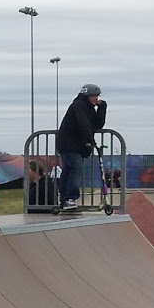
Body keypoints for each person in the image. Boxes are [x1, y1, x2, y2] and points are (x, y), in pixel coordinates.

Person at [55, 84, 106, 212]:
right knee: (76, 168)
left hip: (75, 145)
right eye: (94, 96)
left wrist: (102, 107)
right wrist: (90, 140)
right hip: (69, 144)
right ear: (87, 96)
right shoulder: (78, 105)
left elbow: (98, 124)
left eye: (97, 96)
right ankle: (70, 198)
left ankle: (64, 199)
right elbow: (83, 124)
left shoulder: (88, 108)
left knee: (68, 169)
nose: (96, 99)